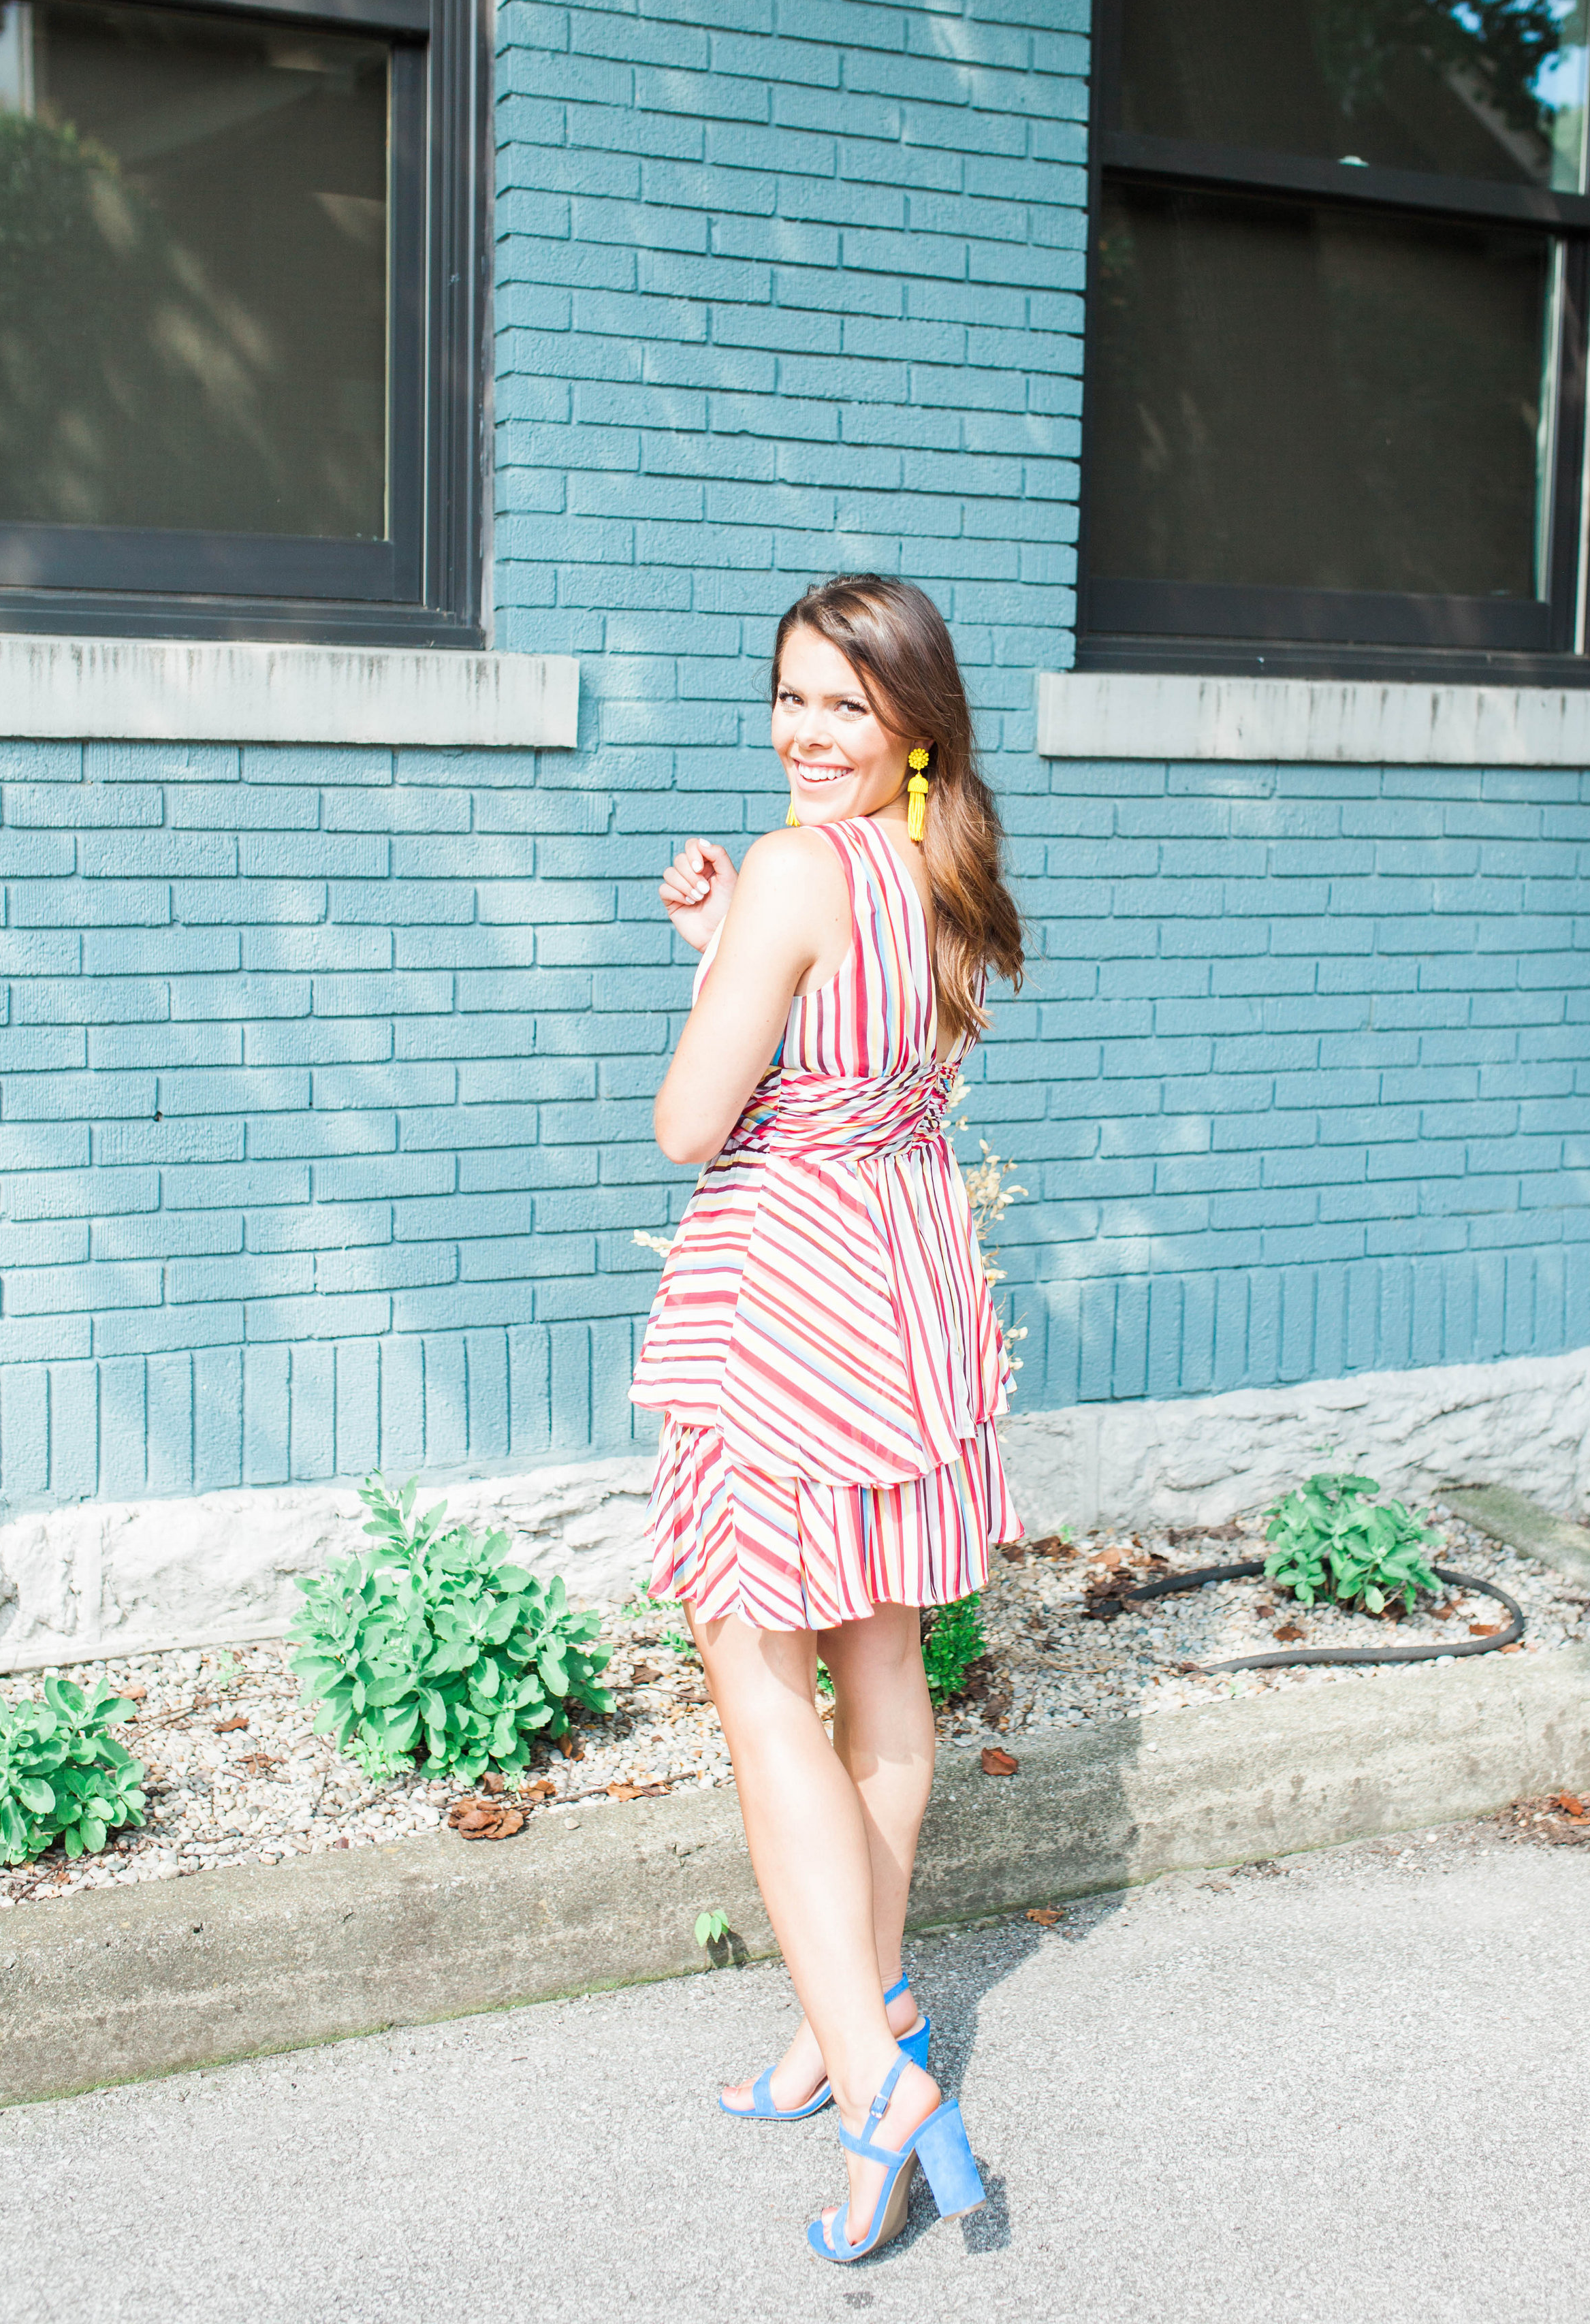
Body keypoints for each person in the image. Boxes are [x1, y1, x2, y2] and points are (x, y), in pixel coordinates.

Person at [631, 572, 1026, 2265]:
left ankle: (878, 2082)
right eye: (788, 695)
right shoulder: (944, 870)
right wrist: (734, 935)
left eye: (842, 707)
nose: (802, 730)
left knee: (756, 1677)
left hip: (785, 1295)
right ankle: (845, 2015)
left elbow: (689, 1119)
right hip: (908, 1284)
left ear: (908, 724)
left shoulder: (795, 873)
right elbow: (876, 1051)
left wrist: (718, 949)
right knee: (878, 1669)